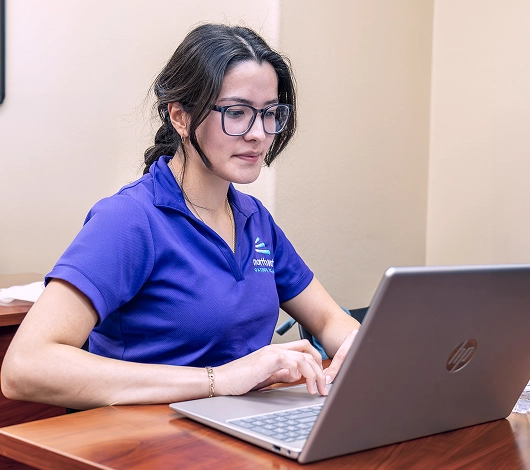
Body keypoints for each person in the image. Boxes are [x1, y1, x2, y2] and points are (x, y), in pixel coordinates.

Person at [1, 23, 359, 410]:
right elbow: (25, 367)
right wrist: (219, 379)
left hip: (236, 432)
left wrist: (359, 346)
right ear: (180, 117)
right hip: (144, 444)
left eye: (270, 113)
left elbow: (328, 319)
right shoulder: (130, 220)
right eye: (237, 113)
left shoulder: (254, 220)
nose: (258, 133)